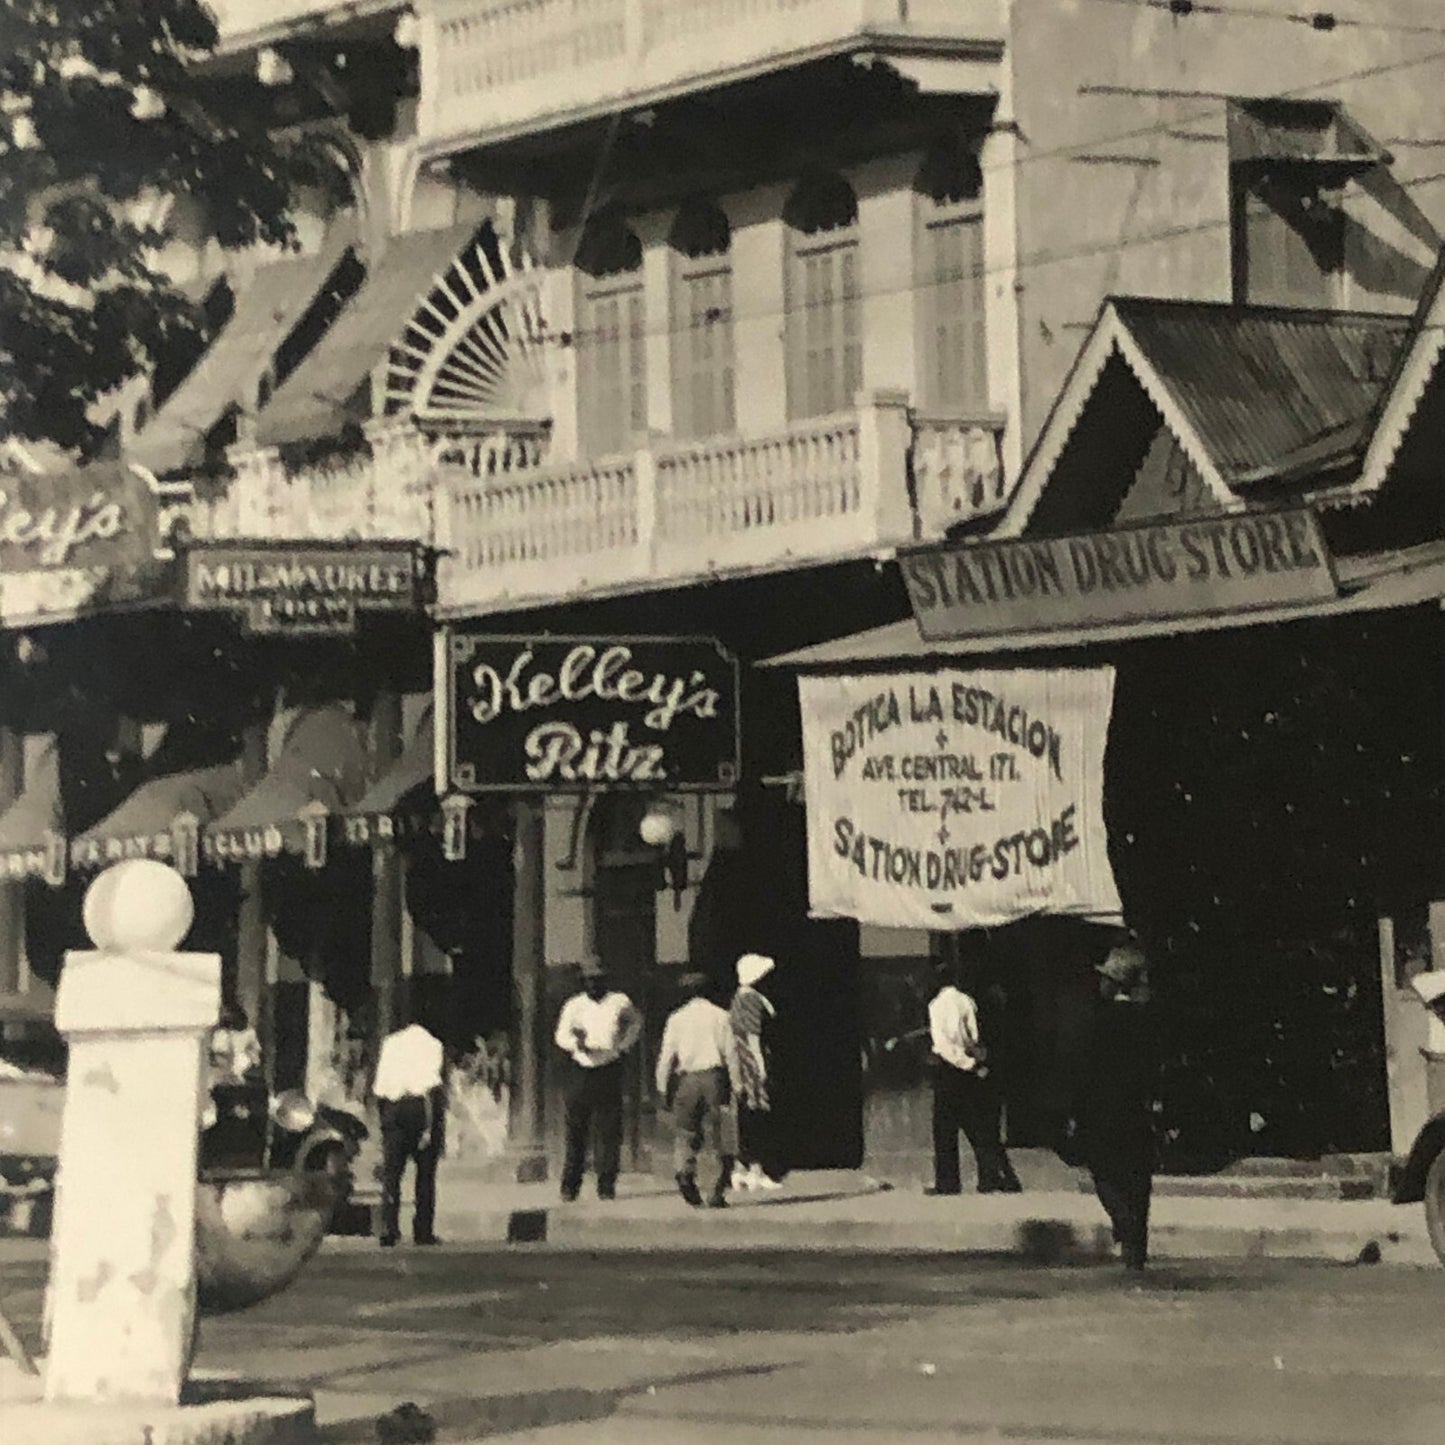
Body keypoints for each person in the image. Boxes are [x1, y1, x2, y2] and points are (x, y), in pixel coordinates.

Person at [1074, 940, 1158, 1272]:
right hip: (1137, 1110)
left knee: (1104, 1172)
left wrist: (1076, 1111)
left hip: (1102, 1111)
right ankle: (1136, 1246)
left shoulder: (1098, 1021)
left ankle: (1123, 1222)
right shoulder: (1147, 1021)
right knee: (1139, 1180)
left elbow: (1084, 1070)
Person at [926, 955, 1022, 1196]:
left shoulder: (936, 1006)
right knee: (975, 1125)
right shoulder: (966, 1001)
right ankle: (990, 1176)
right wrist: (974, 1062)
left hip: (949, 1069)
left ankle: (948, 1182)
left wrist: (964, 1063)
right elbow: (974, 1036)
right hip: (970, 1071)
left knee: (945, 1130)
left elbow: (944, 1045)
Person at [554, 956, 642, 1202]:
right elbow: (561, 1035)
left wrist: (623, 1046)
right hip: (582, 1070)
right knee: (576, 1132)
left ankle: (606, 1185)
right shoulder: (574, 1005)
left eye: (599, 980)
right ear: (583, 982)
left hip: (609, 1068)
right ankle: (570, 1186)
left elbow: (635, 1023)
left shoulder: (619, 1001)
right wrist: (577, 1045)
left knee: (609, 1132)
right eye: (590, 980)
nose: (594, 985)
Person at [655, 971, 737, 1208]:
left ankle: (684, 1171)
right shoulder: (722, 1016)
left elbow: (666, 1058)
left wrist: (662, 1087)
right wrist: (738, 1084)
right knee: (720, 1135)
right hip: (714, 1077)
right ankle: (715, 1191)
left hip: (687, 1080)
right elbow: (731, 1054)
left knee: (686, 1132)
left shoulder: (676, 1018)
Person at [372, 1016, 446, 1248]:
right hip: (420, 1108)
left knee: (392, 1173)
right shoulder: (433, 1044)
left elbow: (380, 1089)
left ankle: (388, 1228)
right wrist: (432, 1129)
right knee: (425, 1175)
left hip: (393, 1108)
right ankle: (422, 1230)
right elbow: (433, 1087)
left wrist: (384, 1122)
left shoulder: (390, 1043)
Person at [729, 953, 782, 1191]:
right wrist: (760, 1066)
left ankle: (742, 1167)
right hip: (751, 1062)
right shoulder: (751, 1000)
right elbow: (753, 1035)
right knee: (757, 1113)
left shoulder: (739, 998)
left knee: (746, 1115)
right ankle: (756, 1169)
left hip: (741, 1062)